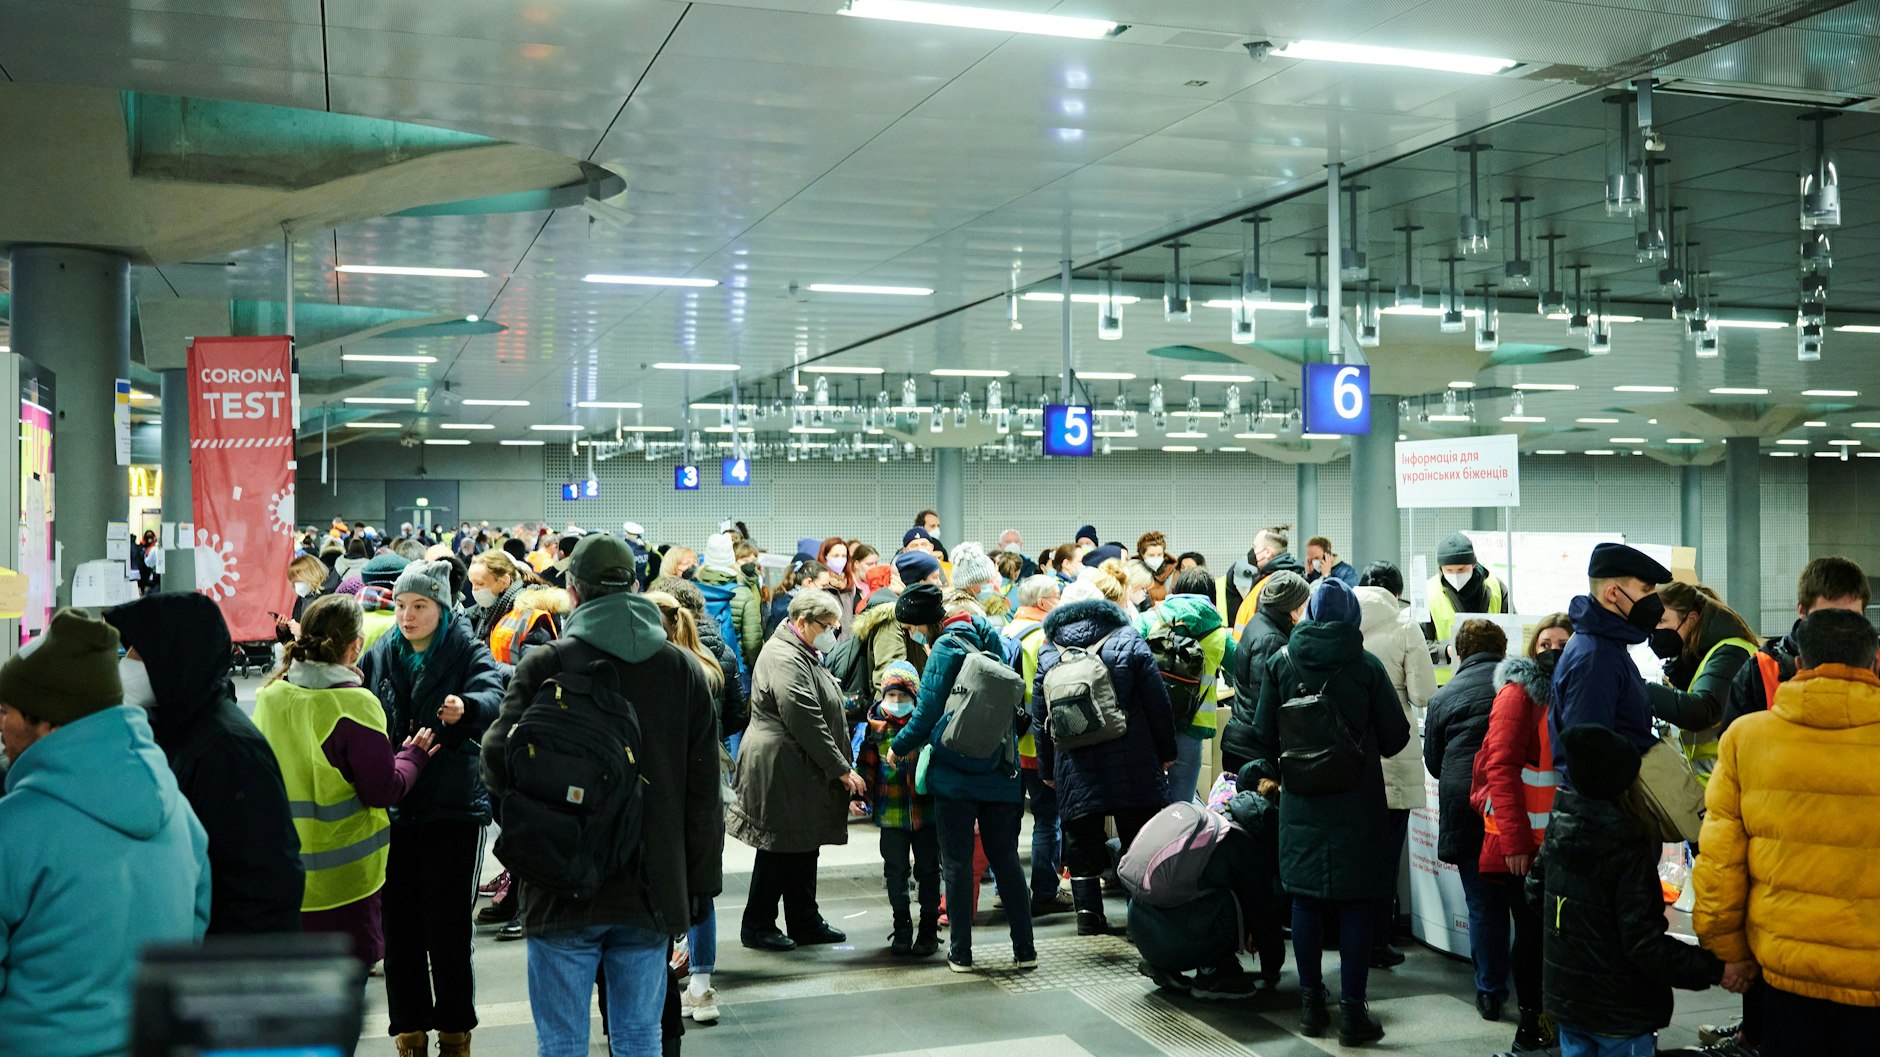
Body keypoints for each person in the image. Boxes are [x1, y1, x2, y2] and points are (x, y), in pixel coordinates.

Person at [479, 539, 720, 1057]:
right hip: (650, 883)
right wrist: (700, 882)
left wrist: (533, 831)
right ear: (634, 587)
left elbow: (496, 760)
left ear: (573, 592)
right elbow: (704, 793)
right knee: (638, 1037)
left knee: (562, 1042)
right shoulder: (681, 669)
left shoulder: (547, 663)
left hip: (560, 878)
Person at [0, 610, 211, 1057]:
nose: (0, 726)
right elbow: (193, 931)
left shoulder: (14, 830)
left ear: (50, 722)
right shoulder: (176, 809)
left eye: (5, 711)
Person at [1693, 608, 1880, 1057]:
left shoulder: (1746, 738)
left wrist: (1729, 952)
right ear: (1874, 662)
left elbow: (1720, 862)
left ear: (1798, 664)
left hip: (1785, 969)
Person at [1249, 578, 1411, 1047]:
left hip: (1301, 800)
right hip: (1357, 802)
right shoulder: (1366, 666)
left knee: (1305, 901)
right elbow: (1396, 738)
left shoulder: (1282, 662)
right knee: (1357, 902)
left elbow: (1262, 734)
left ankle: (1310, 1006)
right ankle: (1354, 1014)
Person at [359, 560, 504, 1057]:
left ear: (441, 608)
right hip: (396, 805)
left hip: (452, 806)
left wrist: (467, 707)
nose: (408, 616)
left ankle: (455, 1032)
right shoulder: (383, 651)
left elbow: (494, 693)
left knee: (448, 928)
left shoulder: (465, 647)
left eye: (419, 606)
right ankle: (409, 1031)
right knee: (398, 927)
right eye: (401, 605)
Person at [255, 594, 440, 967]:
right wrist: (412, 757)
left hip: (281, 872)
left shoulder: (271, 695)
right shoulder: (354, 705)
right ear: (356, 646)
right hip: (344, 883)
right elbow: (382, 789)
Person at [105, 592, 304, 934]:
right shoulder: (177, 726)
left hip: (222, 955)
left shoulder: (229, 749)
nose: (127, 662)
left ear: (174, 658)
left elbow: (264, 884)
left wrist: (214, 961)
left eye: (138, 651)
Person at [1528, 724, 1728, 1057]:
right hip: (1620, 1012)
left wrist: (1582, 938)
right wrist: (1717, 968)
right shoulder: (1626, 845)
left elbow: (1535, 893)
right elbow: (1645, 945)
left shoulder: (1560, 828)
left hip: (1569, 1002)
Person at [889, 587, 1036, 973]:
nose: (911, 634)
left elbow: (926, 712)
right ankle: (1025, 950)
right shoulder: (993, 640)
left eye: (909, 627)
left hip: (955, 774)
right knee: (1006, 861)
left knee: (956, 863)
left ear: (921, 623)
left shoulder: (944, 649)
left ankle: (961, 953)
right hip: (1000, 768)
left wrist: (898, 746)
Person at [1034, 559, 1177, 937]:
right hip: (1132, 756)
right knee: (1138, 837)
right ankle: (1138, 916)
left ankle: (1088, 915)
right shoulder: (1127, 638)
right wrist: (1167, 751)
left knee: (1081, 838)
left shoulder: (1050, 651)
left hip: (1074, 761)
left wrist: (1047, 770)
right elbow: (1157, 701)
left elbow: (1040, 716)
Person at [728, 589, 863, 952]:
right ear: (802, 622)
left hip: (796, 765)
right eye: (827, 626)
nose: (832, 633)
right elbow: (804, 717)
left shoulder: (802, 651)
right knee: (778, 846)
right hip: (781, 765)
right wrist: (840, 769)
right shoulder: (784, 657)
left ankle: (804, 919)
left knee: (803, 843)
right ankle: (758, 925)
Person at [1471, 613, 1571, 1054]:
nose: (1553, 651)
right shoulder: (1518, 693)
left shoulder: (1575, 690)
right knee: (1532, 937)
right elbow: (1500, 768)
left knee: (1559, 937)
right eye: (1546, 643)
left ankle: (1556, 1023)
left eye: (1563, 644)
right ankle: (1531, 1026)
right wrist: (1514, 843)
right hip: (1528, 844)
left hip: (1565, 842)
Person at [1423, 618, 1512, 1017]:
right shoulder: (1519, 689)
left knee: (1483, 903)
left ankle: (1490, 990)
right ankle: (1537, 987)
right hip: (1514, 804)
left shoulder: (1444, 697)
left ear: (1459, 653)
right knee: (1526, 903)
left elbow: (1434, 763)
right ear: (1503, 650)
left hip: (1467, 807)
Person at [1353, 561, 1435, 970]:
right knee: (1386, 856)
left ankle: (1350, 937)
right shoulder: (1405, 626)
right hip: (1393, 752)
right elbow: (1423, 695)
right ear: (1397, 591)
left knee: (1354, 854)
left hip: (1347, 754)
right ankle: (1378, 941)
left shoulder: (1338, 621)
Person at [1551, 543, 1673, 780]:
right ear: (1613, 593)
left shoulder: (1606, 646)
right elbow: (1590, 760)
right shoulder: (1596, 658)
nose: (1654, 600)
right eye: (1646, 589)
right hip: (1608, 799)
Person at [856, 660, 941, 957]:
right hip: (890, 813)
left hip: (926, 812)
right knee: (895, 870)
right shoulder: (876, 729)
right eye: (891, 695)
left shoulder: (925, 727)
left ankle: (928, 926)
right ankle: (902, 924)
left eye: (903, 696)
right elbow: (866, 766)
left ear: (914, 697)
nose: (896, 701)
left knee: (928, 869)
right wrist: (859, 795)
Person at [1135, 566, 1236, 806]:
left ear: (1176, 590)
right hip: (1192, 725)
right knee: (1181, 805)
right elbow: (1241, 669)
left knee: (1146, 802)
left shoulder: (1148, 619)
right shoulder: (1220, 634)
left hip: (1149, 722)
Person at [1003, 574, 1071, 915]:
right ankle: (1044, 891)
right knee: (1047, 819)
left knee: (1008, 822)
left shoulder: (1005, 631)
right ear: (1043, 602)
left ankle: (1006, 889)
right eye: (1057, 595)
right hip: (1037, 744)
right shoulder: (1043, 637)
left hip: (1006, 745)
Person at [1645, 582, 1758, 782]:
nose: (1654, 630)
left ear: (1691, 620)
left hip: (1736, 786)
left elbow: (1703, 710)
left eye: (1662, 621)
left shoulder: (1730, 654)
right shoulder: (1699, 661)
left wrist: (1640, 689)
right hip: (1721, 785)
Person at [1221, 571, 1311, 774]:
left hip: (1244, 743)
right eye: (1304, 603)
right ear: (1292, 607)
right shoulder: (1271, 639)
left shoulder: (1259, 621)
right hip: (1252, 751)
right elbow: (1263, 702)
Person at [1424, 532, 1514, 647]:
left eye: (1461, 569)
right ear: (1441, 568)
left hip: (1491, 658)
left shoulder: (1496, 586)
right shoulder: (1428, 592)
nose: (1455, 575)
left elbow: (1514, 631)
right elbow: (1419, 643)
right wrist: (1446, 651)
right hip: (1451, 659)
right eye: (1449, 570)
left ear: (1473, 564)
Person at [697, 532, 764, 675]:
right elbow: (752, 641)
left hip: (700, 663)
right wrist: (755, 669)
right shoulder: (743, 593)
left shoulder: (692, 590)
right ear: (732, 559)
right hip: (735, 665)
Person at [1227, 525, 1307, 633]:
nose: (1253, 552)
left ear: (1268, 552)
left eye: (1255, 547)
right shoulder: (1271, 578)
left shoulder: (1274, 584)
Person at [278, 552, 332, 642]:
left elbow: (329, 640)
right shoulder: (302, 600)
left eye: (299, 580)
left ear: (311, 576)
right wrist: (284, 629)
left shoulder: (328, 601)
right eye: (294, 582)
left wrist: (303, 634)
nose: (296, 585)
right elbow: (293, 639)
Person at [817, 537, 860, 632]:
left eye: (844, 556)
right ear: (825, 556)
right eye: (835, 555)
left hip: (848, 638)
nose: (840, 559)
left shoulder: (849, 584)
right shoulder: (819, 584)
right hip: (828, 639)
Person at [1137, 531, 1176, 603]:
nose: (1156, 558)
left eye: (1159, 555)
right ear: (1142, 554)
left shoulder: (1173, 573)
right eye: (1151, 555)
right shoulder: (1134, 573)